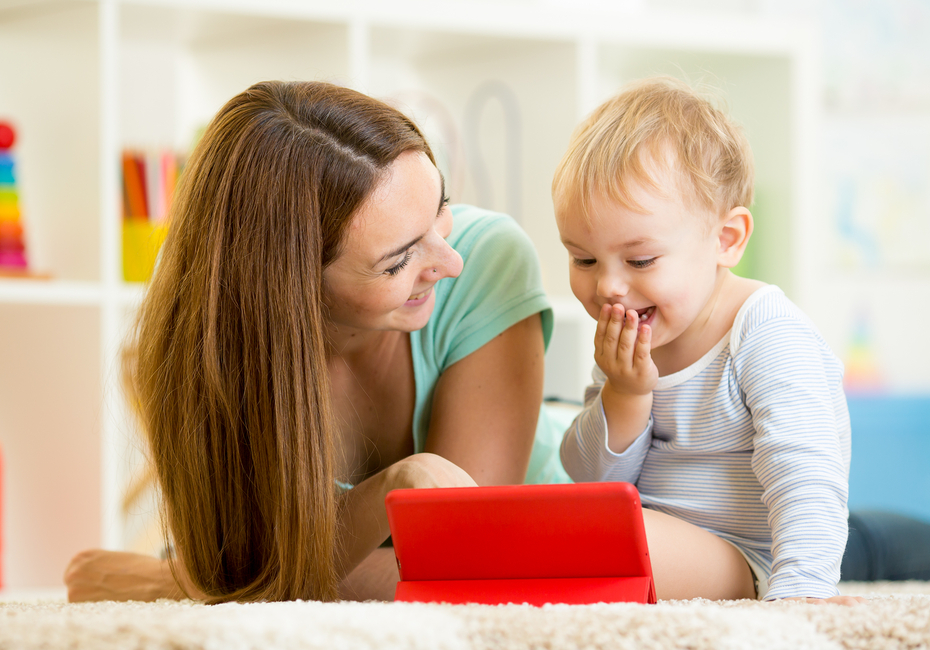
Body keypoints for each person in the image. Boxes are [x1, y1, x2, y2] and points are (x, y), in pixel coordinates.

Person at [64, 80, 571, 603]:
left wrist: (182, 582)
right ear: (293, 287)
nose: (449, 261)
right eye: (398, 261)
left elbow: (466, 567)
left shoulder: (487, 260)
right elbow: (240, 553)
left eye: (440, 206)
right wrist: (394, 484)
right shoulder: (213, 349)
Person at [552, 76, 864, 603]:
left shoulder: (766, 331)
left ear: (726, 240)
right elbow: (590, 478)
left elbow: (806, 471)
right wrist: (625, 395)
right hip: (658, 538)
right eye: (583, 259)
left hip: (745, 555)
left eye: (640, 259)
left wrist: (803, 594)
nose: (607, 286)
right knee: (569, 530)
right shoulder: (633, 330)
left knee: (603, 545)